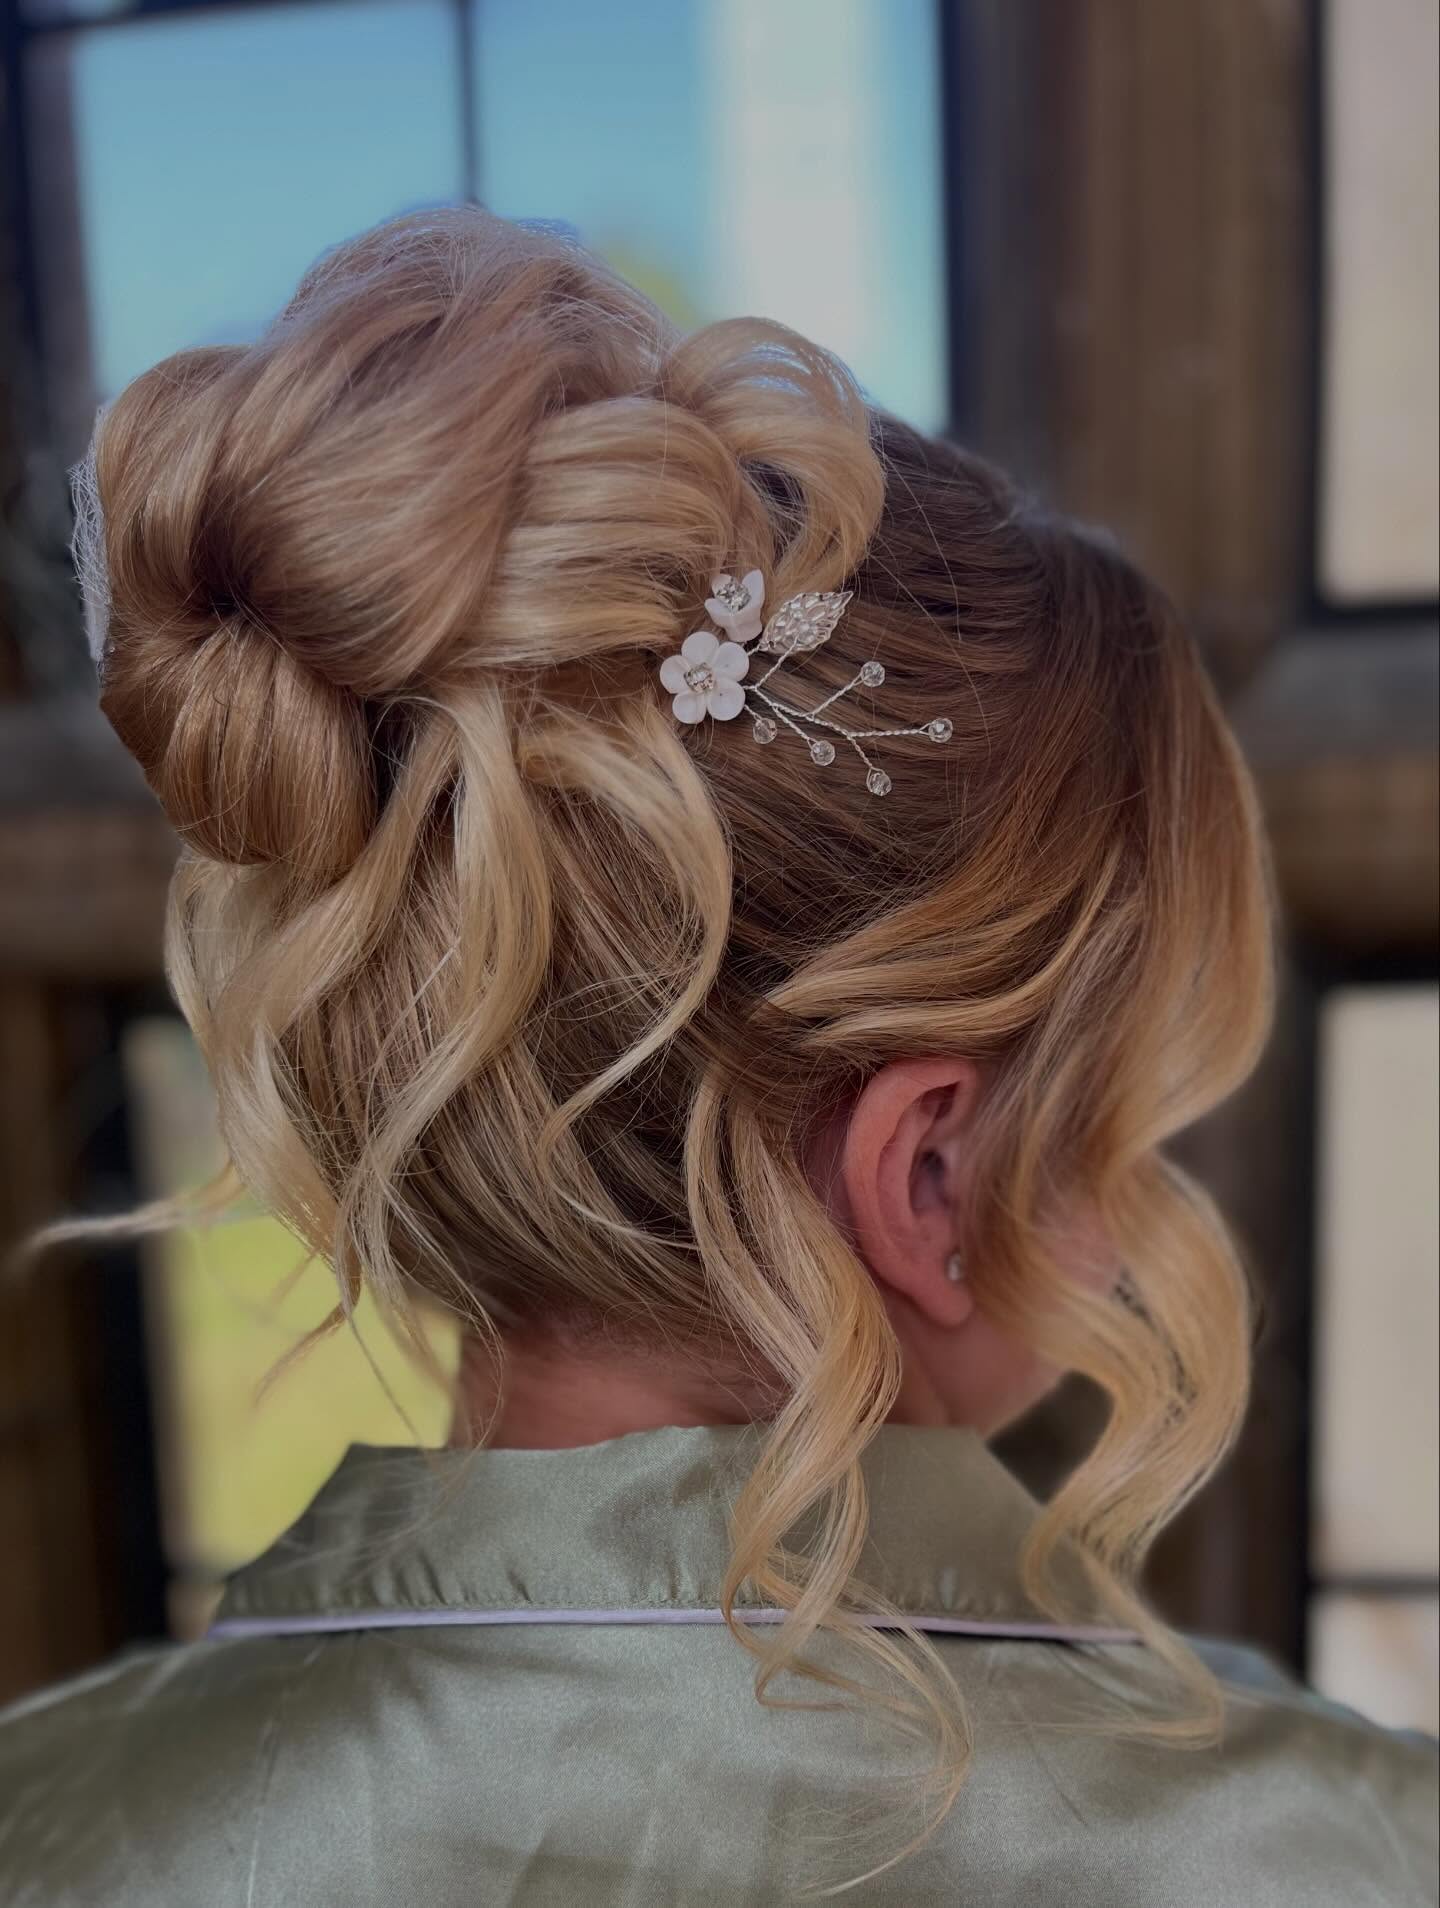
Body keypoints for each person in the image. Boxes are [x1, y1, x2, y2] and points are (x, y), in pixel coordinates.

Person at [1, 207, 1433, 1907]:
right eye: (1129, 1133)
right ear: (927, 1174)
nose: (1132, 1226)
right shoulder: (1351, 1853)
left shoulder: (55, 1823)